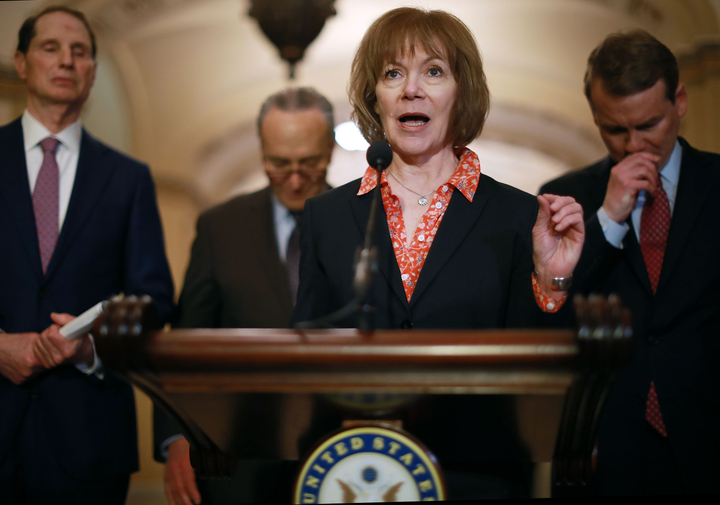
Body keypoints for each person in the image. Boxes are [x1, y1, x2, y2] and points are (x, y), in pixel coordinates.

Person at [292, 7, 585, 499]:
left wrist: (552, 281)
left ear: (461, 91)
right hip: (357, 472)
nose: (412, 89)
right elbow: (305, 354)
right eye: (392, 74)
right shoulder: (327, 216)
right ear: (375, 97)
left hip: (482, 476)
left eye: (434, 71)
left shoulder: (517, 216)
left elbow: (542, 380)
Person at [0, 5, 174, 505]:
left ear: (93, 72)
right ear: (20, 62)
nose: (66, 61)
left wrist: (90, 347)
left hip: (89, 436)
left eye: (80, 52)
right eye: (50, 48)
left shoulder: (128, 178)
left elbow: (155, 301)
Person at [539, 30, 720, 495]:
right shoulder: (564, 197)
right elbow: (548, 318)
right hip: (604, 454)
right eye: (615, 130)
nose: (635, 145)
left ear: (679, 101)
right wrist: (608, 220)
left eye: (649, 124)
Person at [155, 87, 334, 505]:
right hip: (237, 458)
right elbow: (185, 340)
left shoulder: (367, 219)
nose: (293, 178)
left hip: (338, 447)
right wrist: (177, 437)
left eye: (308, 163)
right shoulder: (221, 227)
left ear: (330, 147)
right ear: (261, 151)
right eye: (278, 164)